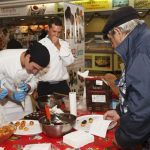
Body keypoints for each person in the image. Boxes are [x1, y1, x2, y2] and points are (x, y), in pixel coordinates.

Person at [102, 6, 150, 149]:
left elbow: (143, 107)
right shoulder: (142, 41)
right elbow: (137, 90)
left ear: (118, 32)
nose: (112, 46)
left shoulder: (141, 52)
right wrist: (119, 112)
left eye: (111, 40)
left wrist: (123, 138)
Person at [0, 41, 50, 122]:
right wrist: (10, 95)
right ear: (28, 57)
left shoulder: (37, 62)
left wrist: (28, 86)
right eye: (34, 68)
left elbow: (35, 80)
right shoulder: (3, 59)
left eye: (38, 70)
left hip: (25, 104)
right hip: (6, 106)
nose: (35, 72)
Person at [37, 16, 74, 97]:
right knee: (44, 109)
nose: (56, 35)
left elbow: (68, 62)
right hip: (44, 85)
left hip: (61, 85)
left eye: (59, 32)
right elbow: (34, 67)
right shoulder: (40, 44)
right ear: (48, 29)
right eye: (54, 31)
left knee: (66, 108)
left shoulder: (64, 44)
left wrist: (58, 46)